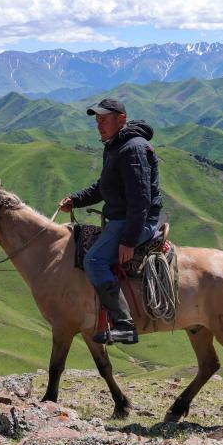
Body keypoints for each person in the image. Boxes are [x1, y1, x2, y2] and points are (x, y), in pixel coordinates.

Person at [59, 98, 162, 345]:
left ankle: (124, 325)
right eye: (97, 120)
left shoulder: (132, 149)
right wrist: (76, 200)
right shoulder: (116, 146)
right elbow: (103, 187)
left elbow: (140, 199)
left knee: (94, 261)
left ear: (121, 119)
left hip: (135, 221)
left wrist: (129, 240)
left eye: (104, 119)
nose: (99, 125)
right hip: (124, 217)